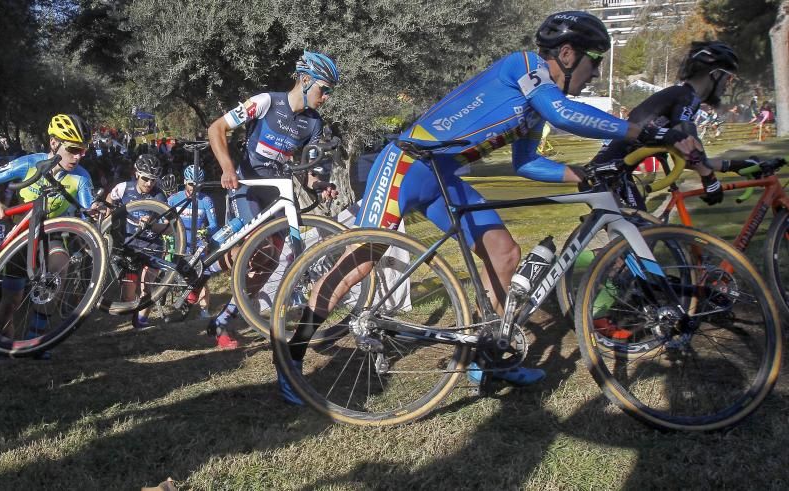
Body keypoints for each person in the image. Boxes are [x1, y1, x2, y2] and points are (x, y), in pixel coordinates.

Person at [281, 11, 702, 404]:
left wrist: (580, 175)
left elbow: (527, 163)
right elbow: (564, 113)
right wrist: (643, 129)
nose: (594, 74)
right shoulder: (522, 68)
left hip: (443, 176)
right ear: (568, 54)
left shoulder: (537, 105)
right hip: (407, 164)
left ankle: (488, 356)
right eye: (595, 61)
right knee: (363, 259)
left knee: (504, 252)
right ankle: (291, 359)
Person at [204, 50, 341, 349]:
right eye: (324, 90)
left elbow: (310, 170)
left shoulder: (313, 123)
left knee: (269, 262)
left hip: (277, 192)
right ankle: (201, 269)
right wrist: (228, 168)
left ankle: (223, 320)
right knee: (257, 246)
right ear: (305, 80)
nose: (326, 98)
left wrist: (320, 184)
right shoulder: (267, 101)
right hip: (248, 185)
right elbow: (217, 128)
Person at [0, 113, 96, 375]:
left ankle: (36, 339)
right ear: (53, 143)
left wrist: (99, 210)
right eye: (73, 149)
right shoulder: (29, 163)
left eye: (83, 151)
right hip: (20, 237)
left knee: (59, 269)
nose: (78, 156)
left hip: (53, 236)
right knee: (10, 300)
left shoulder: (81, 177)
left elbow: (89, 210)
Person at [591, 41, 742, 210]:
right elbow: (689, 145)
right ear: (715, 74)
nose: (728, 85)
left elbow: (692, 159)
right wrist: (709, 178)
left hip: (611, 172)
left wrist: (738, 166)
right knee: (643, 232)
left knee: (642, 231)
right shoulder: (687, 97)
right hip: (609, 175)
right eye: (729, 78)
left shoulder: (679, 95)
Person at [98, 153, 167, 330]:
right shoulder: (123, 188)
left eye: (153, 180)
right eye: (145, 178)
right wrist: (109, 218)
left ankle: (141, 323)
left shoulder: (159, 195)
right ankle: (132, 317)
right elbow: (109, 200)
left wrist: (152, 225)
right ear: (136, 173)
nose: (149, 183)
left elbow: (167, 225)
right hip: (129, 247)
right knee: (128, 293)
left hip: (152, 247)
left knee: (146, 287)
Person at [167, 165, 220, 318]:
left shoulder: (206, 200)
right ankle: (181, 308)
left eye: (197, 185)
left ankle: (204, 311)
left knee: (201, 279)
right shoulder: (173, 199)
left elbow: (214, 225)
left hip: (198, 247)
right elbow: (166, 223)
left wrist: (205, 232)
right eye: (191, 184)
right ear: (184, 181)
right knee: (179, 278)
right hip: (180, 244)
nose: (193, 188)